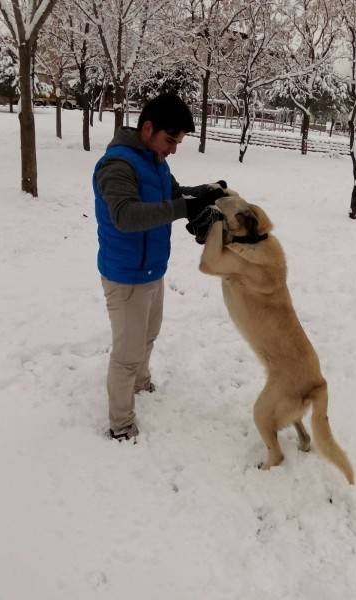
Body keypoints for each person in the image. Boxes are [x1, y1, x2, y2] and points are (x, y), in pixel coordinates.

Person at [93, 93, 227, 442]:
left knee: (148, 337)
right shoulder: (117, 166)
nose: (173, 149)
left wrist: (208, 191)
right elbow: (126, 216)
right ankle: (121, 424)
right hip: (125, 276)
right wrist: (184, 207)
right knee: (126, 354)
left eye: (178, 142)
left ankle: (141, 382)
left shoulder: (155, 161)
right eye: (170, 140)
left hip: (153, 270)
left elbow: (175, 193)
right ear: (148, 128)